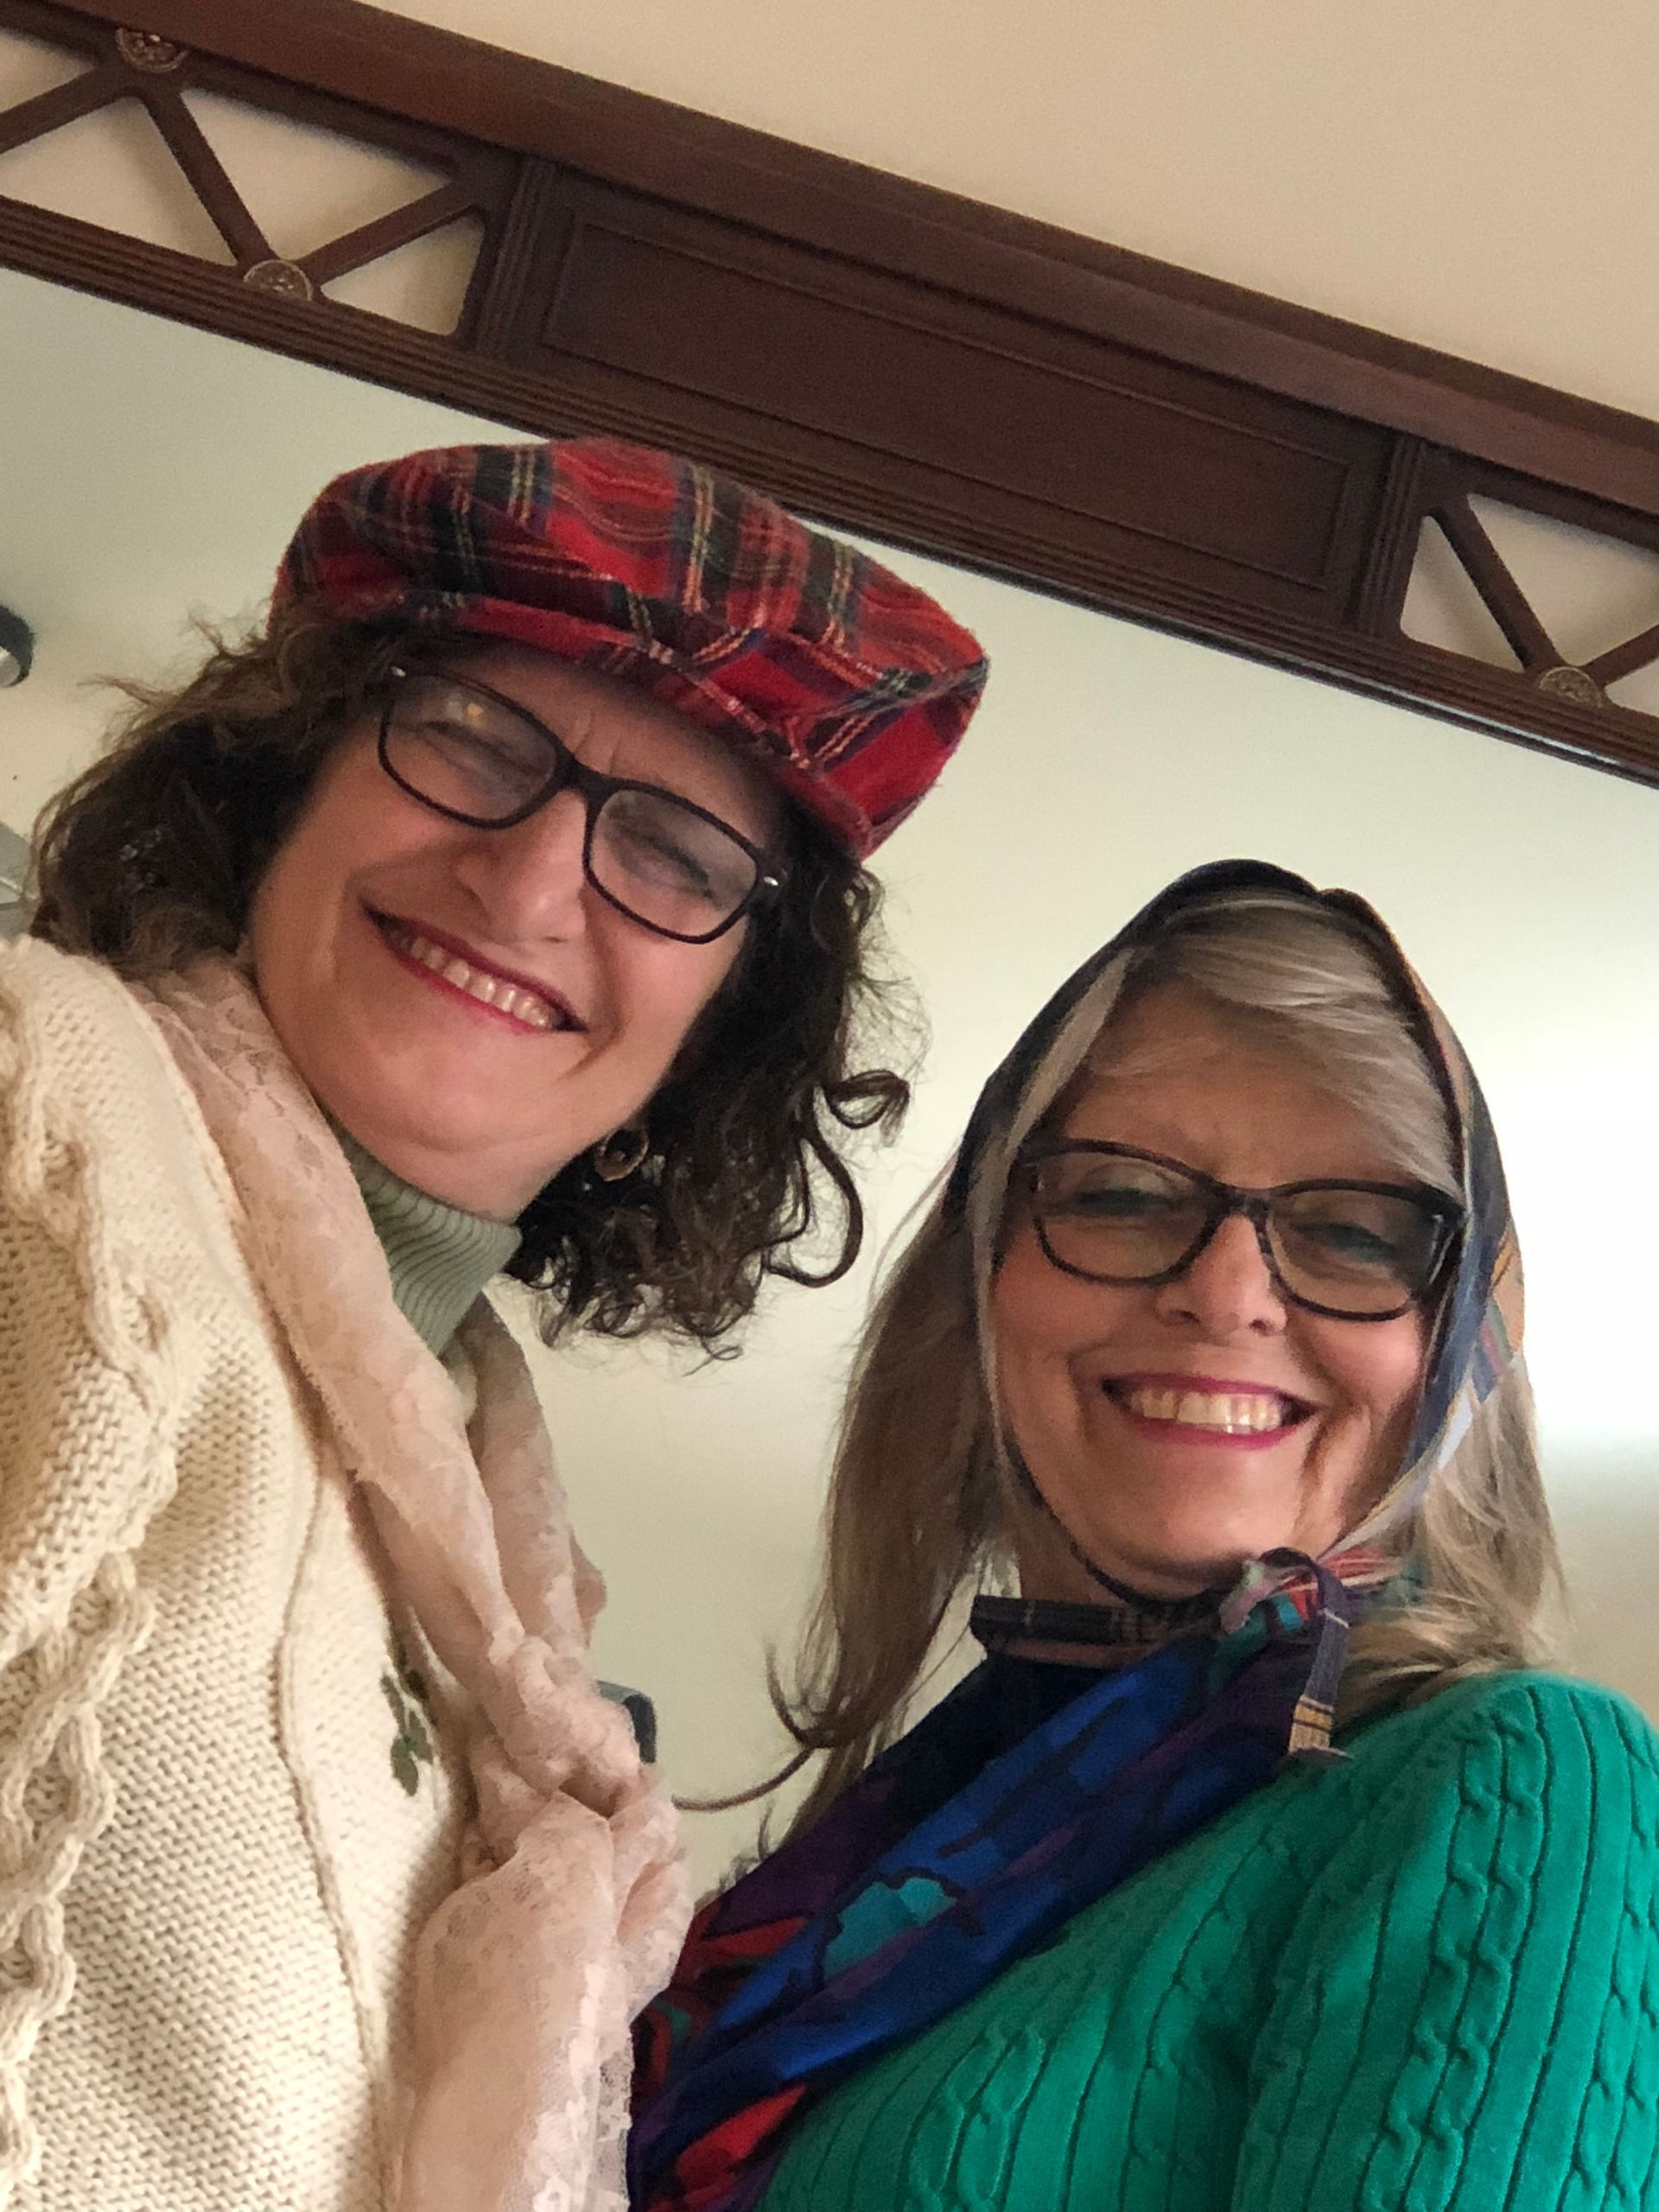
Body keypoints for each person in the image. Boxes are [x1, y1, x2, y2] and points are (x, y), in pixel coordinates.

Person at [0, 436, 987, 2212]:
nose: (533, 883)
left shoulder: (488, 1502)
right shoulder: (42, 1114)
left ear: (719, 1022)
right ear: (281, 779)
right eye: (468, 736)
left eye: (675, 852)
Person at [632, 859, 1659, 2212]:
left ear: (1457, 1348)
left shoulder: (1516, 1778)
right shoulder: (913, 1829)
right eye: (1120, 1195)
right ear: (981, 1286)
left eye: (1355, 1231)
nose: (1227, 1294)